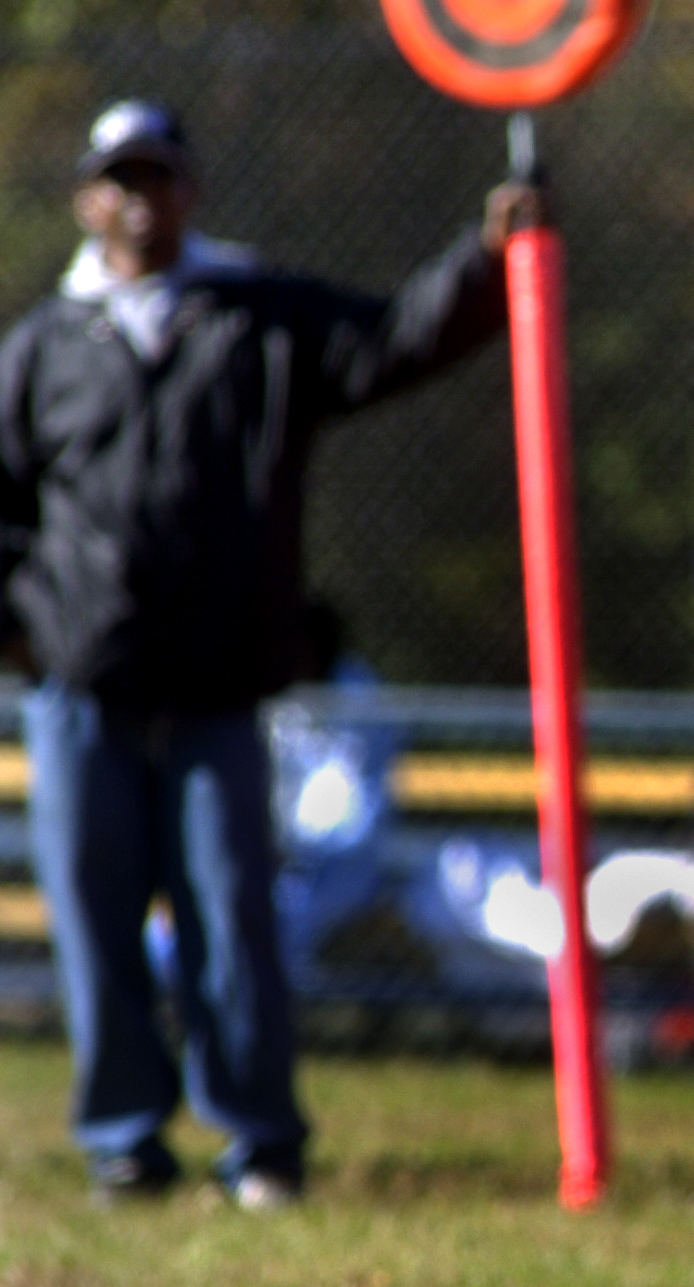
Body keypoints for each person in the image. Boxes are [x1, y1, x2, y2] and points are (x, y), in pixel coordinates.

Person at [0, 99, 535, 1206]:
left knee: (234, 915)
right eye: (120, 180)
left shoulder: (255, 319)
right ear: (88, 199)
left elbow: (396, 340)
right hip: (80, 694)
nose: (141, 201)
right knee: (95, 925)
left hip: (219, 693)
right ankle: (125, 1144)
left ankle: (260, 1144)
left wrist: (488, 261)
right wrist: (25, 634)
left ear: (191, 190)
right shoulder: (44, 349)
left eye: (159, 177)